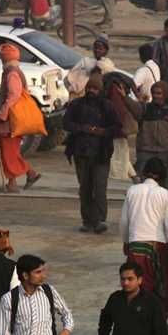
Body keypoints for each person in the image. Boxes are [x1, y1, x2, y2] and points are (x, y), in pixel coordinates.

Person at [121, 158, 168, 329]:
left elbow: (124, 221)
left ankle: (137, 320)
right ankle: (160, 322)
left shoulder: (132, 191)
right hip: (157, 246)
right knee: (163, 285)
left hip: (135, 245)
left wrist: (126, 242)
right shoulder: (165, 194)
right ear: (162, 176)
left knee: (135, 285)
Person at [64, 71, 121, 234]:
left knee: (100, 187)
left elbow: (117, 128)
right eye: (90, 88)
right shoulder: (76, 105)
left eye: (95, 89)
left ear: (100, 90)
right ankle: (87, 221)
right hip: (81, 153)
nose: (92, 91)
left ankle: (100, 220)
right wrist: (82, 128)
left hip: (101, 154)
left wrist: (101, 132)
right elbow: (66, 123)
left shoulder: (107, 106)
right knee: (85, 188)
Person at [0, 43, 44, 194]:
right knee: (9, 151)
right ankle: (18, 179)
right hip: (11, 119)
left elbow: (13, 95)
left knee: (9, 152)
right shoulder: (15, 71)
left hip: (10, 120)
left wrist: (2, 112)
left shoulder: (12, 74)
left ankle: (21, 178)